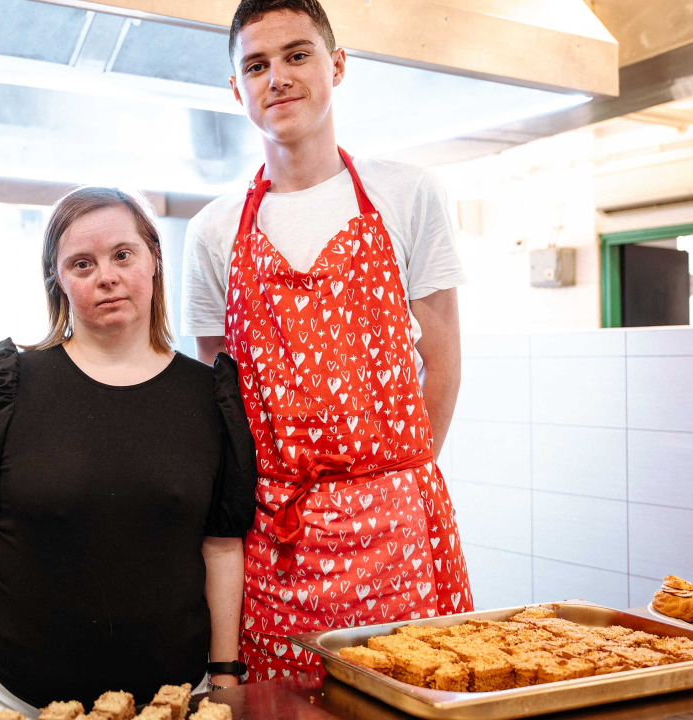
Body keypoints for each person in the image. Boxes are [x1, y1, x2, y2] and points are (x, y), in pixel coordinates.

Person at [179, 0, 475, 682]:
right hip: (274, 540)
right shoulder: (215, 231)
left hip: (395, 532)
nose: (277, 77)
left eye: (297, 55)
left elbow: (444, 361)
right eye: (256, 65)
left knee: (402, 692)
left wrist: (399, 484)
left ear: (336, 66)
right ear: (236, 90)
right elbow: (218, 396)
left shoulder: (407, 194)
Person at [0, 187, 257, 719]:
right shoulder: (13, 381)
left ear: (154, 260)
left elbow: (222, 544)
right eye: (81, 264)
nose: (105, 276)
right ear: (57, 281)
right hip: (10, 696)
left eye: (123, 255)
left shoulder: (209, 395)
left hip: (172, 700)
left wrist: (223, 673)